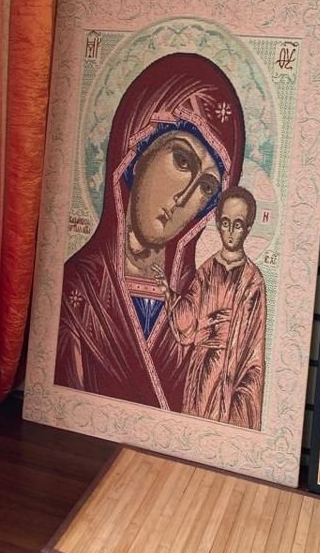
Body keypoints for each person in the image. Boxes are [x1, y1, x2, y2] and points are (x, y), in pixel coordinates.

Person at [54, 52, 245, 412]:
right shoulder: (76, 292)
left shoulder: (200, 310)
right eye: (182, 161)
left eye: (206, 187)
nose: (184, 198)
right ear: (136, 150)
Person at [154, 186, 266, 430]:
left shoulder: (253, 280)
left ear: (248, 227)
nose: (230, 231)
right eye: (225, 223)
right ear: (217, 224)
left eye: (238, 224)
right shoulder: (206, 270)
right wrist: (169, 295)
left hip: (230, 369)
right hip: (201, 369)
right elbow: (189, 320)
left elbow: (253, 342)